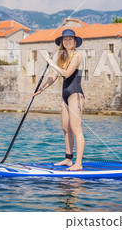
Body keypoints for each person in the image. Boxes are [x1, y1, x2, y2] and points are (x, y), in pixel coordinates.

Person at [33, 29, 85, 171]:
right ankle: (68, 159)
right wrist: (41, 89)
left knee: (76, 129)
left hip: (75, 95)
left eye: (70, 39)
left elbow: (67, 74)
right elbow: (54, 75)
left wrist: (51, 62)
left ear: (74, 42)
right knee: (65, 128)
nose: (68, 41)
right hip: (65, 96)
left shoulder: (77, 56)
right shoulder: (63, 58)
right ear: (62, 42)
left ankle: (78, 163)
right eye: (65, 39)